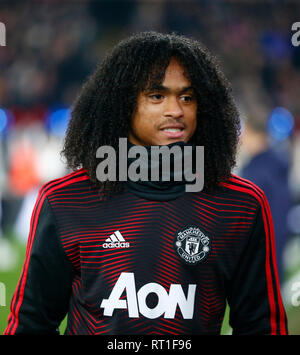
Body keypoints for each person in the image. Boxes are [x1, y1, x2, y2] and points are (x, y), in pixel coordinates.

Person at [4, 31, 288, 335]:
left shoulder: (240, 204)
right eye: (157, 96)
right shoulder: (67, 200)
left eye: (187, 97)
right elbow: (31, 323)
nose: (175, 110)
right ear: (122, 105)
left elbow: (261, 325)